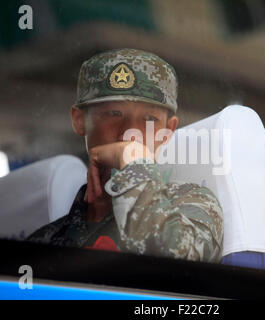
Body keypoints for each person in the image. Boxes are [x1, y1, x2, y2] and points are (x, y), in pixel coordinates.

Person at [26, 48, 223, 263]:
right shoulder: (44, 241)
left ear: (168, 131)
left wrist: (131, 158)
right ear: (79, 120)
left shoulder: (190, 205)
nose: (130, 133)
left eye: (149, 118)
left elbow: (176, 259)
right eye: (113, 113)